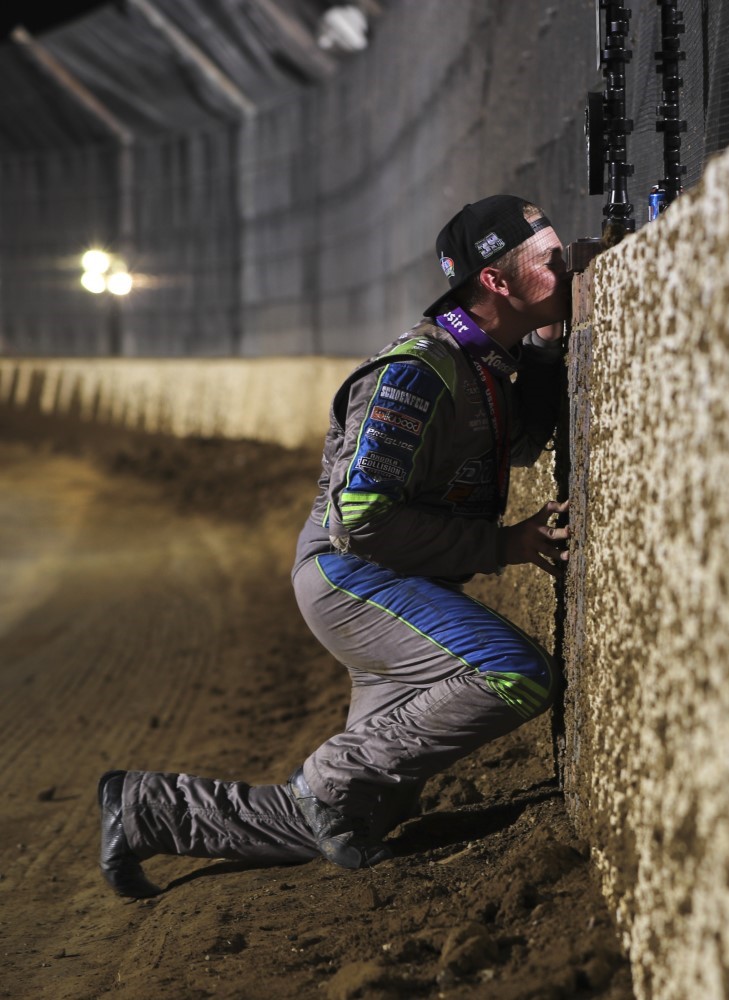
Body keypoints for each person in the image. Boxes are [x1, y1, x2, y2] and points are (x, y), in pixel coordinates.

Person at [98, 195, 573, 898]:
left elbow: (523, 429)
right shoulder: (417, 372)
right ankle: (332, 775)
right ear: (497, 283)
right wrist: (503, 545)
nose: (569, 266)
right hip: (353, 575)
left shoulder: (485, 367)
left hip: (399, 580)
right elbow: (362, 518)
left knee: (356, 815)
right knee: (514, 673)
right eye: (553, 260)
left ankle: (147, 809)